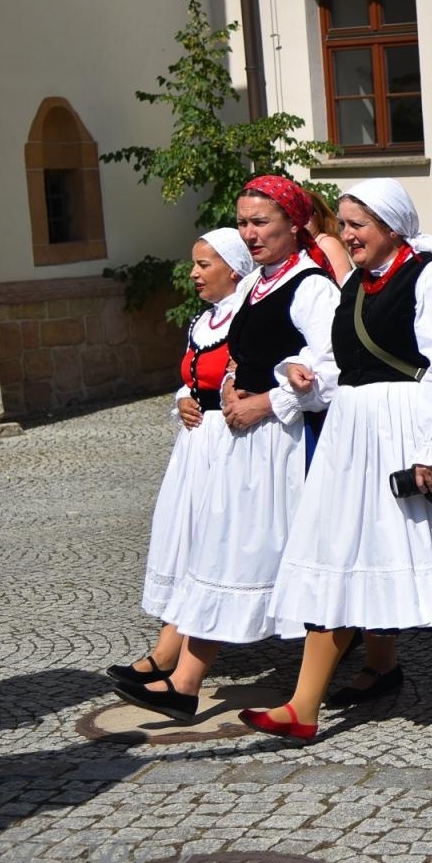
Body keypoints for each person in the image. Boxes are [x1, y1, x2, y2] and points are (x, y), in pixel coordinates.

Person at [241, 180, 432, 741]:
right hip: (353, 435)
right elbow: (340, 363)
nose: (348, 235)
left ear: (390, 226)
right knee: (338, 551)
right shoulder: (355, 287)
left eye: (358, 224)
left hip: (408, 427)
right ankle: (303, 705)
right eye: (343, 223)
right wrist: (300, 373)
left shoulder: (430, 276)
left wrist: (431, 446)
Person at [115, 175, 339, 719]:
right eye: (244, 222)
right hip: (246, 446)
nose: (251, 232)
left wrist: (269, 401)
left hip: (284, 446)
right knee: (225, 549)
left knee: (260, 556)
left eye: (261, 222)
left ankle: (190, 682)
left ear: (294, 224)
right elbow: (234, 352)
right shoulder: (257, 285)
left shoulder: (311, 286)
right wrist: (227, 387)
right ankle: (185, 679)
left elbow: (331, 365)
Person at [106, 229, 253, 685]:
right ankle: (168, 650)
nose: (193, 274)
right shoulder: (202, 320)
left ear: (233, 268)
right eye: (194, 264)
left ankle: (175, 657)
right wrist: (183, 398)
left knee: (211, 544)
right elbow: (193, 376)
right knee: (187, 539)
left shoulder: (244, 318)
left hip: (229, 442)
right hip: (195, 444)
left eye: (203, 265)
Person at [305, 188, 353, 280]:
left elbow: (343, 285)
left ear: (317, 216)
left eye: (306, 214)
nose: (300, 220)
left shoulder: (326, 242)